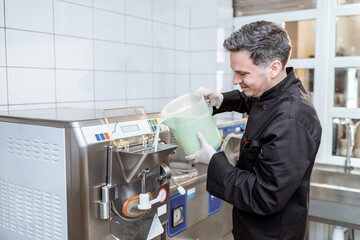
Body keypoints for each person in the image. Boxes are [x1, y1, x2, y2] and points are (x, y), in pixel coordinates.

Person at [185, 21, 322, 240]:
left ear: (274, 68)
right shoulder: (277, 91)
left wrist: (214, 161)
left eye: (242, 74)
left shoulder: (291, 121)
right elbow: (255, 103)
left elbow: (264, 196)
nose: (235, 80)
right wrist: (221, 100)